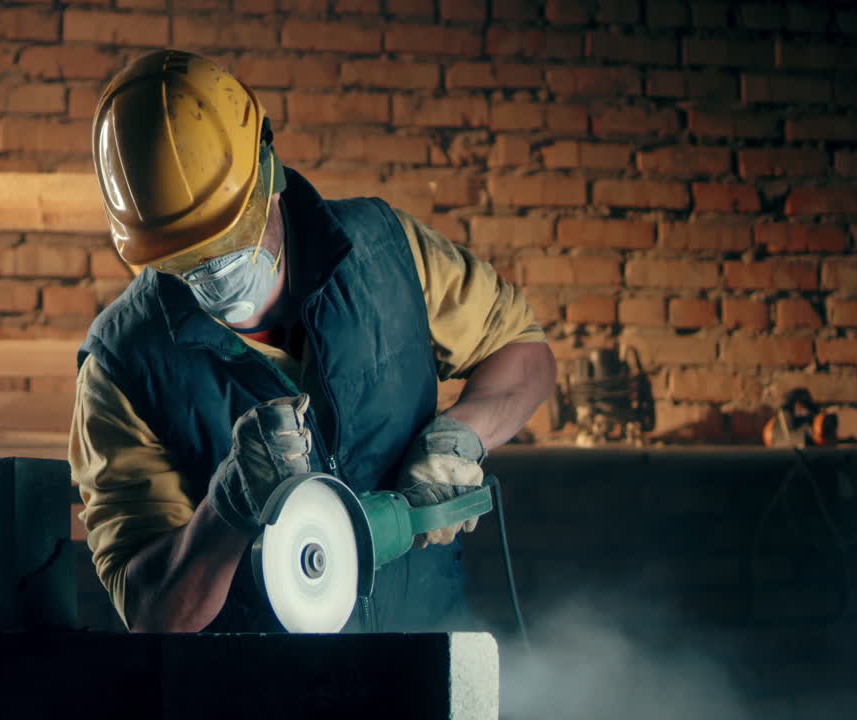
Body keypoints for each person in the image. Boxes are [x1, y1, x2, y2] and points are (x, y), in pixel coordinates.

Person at [69, 49, 556, 633]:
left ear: (268, 176)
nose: (214, 272)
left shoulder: (387, 253)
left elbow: (524, 352)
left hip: (428, 657)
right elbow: (151, 612)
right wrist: (227, 512)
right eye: (184, 260)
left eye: (227, 238)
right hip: (263, 691)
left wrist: (463, 434)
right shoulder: (122, 366)